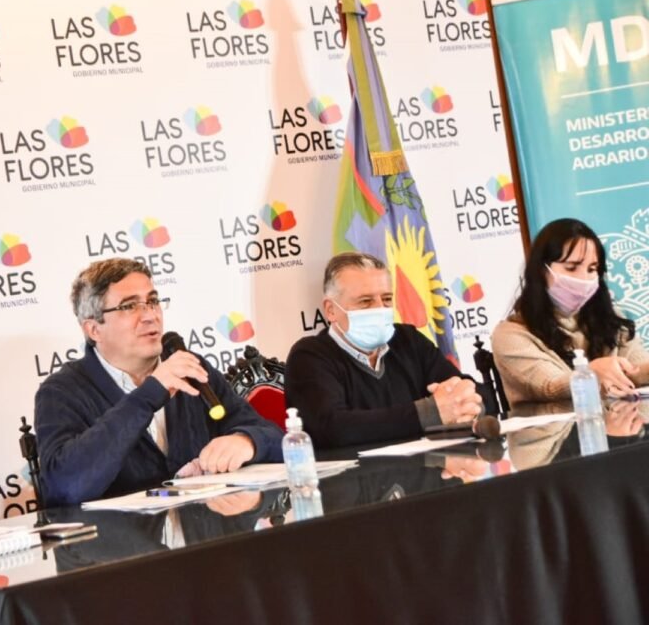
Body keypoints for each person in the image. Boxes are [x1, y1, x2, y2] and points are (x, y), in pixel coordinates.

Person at [34, 258, 283, 506]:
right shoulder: (61, 392)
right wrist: (149, 395)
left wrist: (247, 441)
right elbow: (64, 486)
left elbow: (276, 439)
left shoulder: (190, 368)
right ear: (93, 329)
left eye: (153, 301)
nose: (150, 316)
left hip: (205, 526)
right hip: (120, 532)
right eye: (129, 306)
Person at [285, 252, 484, 448]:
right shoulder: (309, 356)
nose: (380, 308)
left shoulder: (408, 339)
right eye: (365, 301)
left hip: (426, 466)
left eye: (387, 299)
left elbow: (473, 393)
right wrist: (430, 413)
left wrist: (467, 404)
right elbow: (333, 428)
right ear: (331, 310)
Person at [491, 217, 649, 406]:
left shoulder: (610, 318)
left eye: (592, 269)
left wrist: (643, 372)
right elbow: (549, 386)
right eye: (572, 268)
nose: (584, 278)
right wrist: (591, 374)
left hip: (622, 421)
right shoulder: (510, 335)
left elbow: (636, 368)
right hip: (556, 425)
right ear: (541, 271)